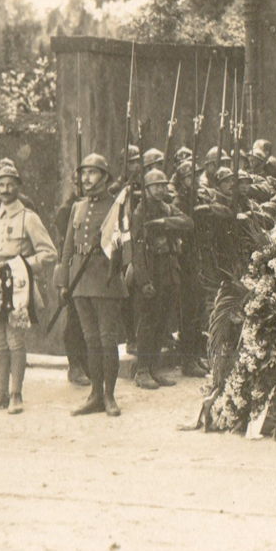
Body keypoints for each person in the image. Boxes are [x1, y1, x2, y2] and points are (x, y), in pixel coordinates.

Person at [0, 164, 57, 414]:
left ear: (19, 187)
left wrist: (21, 265)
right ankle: (0, 393)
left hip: (17, 286)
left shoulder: (28, 218)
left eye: (11, 184)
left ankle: (16, 394)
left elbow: (49, 253)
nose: (6, 189)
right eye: (1, 184)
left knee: (14, 340)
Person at [55, 154, 127, 417]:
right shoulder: (78, 206)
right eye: (83, 173)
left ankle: (109, 396)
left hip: (105, 279)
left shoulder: (116, 207)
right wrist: (64, 280)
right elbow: (68, 247)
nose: (86, 178)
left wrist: (114, 259)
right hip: (80, 281)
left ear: (105, 177)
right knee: (90, 340)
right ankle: (95, 394)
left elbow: (123, 246)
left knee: (108, 341)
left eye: (93, 173)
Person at [130, 169, 193, 390]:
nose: (160, 189)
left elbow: (187, 222)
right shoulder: (139, 212)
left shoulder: (167, 208)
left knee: (162, 321)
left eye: (162, 185)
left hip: (168, 271)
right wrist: (143, 279)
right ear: (145, 189)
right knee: (148, 322)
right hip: (151, 269)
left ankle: (155, 368)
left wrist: (164, 222)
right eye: (155, 186)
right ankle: (142, 370)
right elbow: (136, 250)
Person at [172, 159, 210, 378]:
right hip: (184, 259)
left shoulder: (198, 196)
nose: (194, 180)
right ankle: (187, 360)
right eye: (190, 177)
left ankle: (195, 355)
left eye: (196, 176)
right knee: (187, 310)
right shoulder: (179, 200)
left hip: (197, 257)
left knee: (197, 309)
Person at [54, 181, 92, 387]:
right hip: (72, 266)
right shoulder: (67, 210)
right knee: (74, 319)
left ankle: (86, 364)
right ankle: (74, 365)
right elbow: (66, 243)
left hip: (90, 268)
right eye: (80, 183)